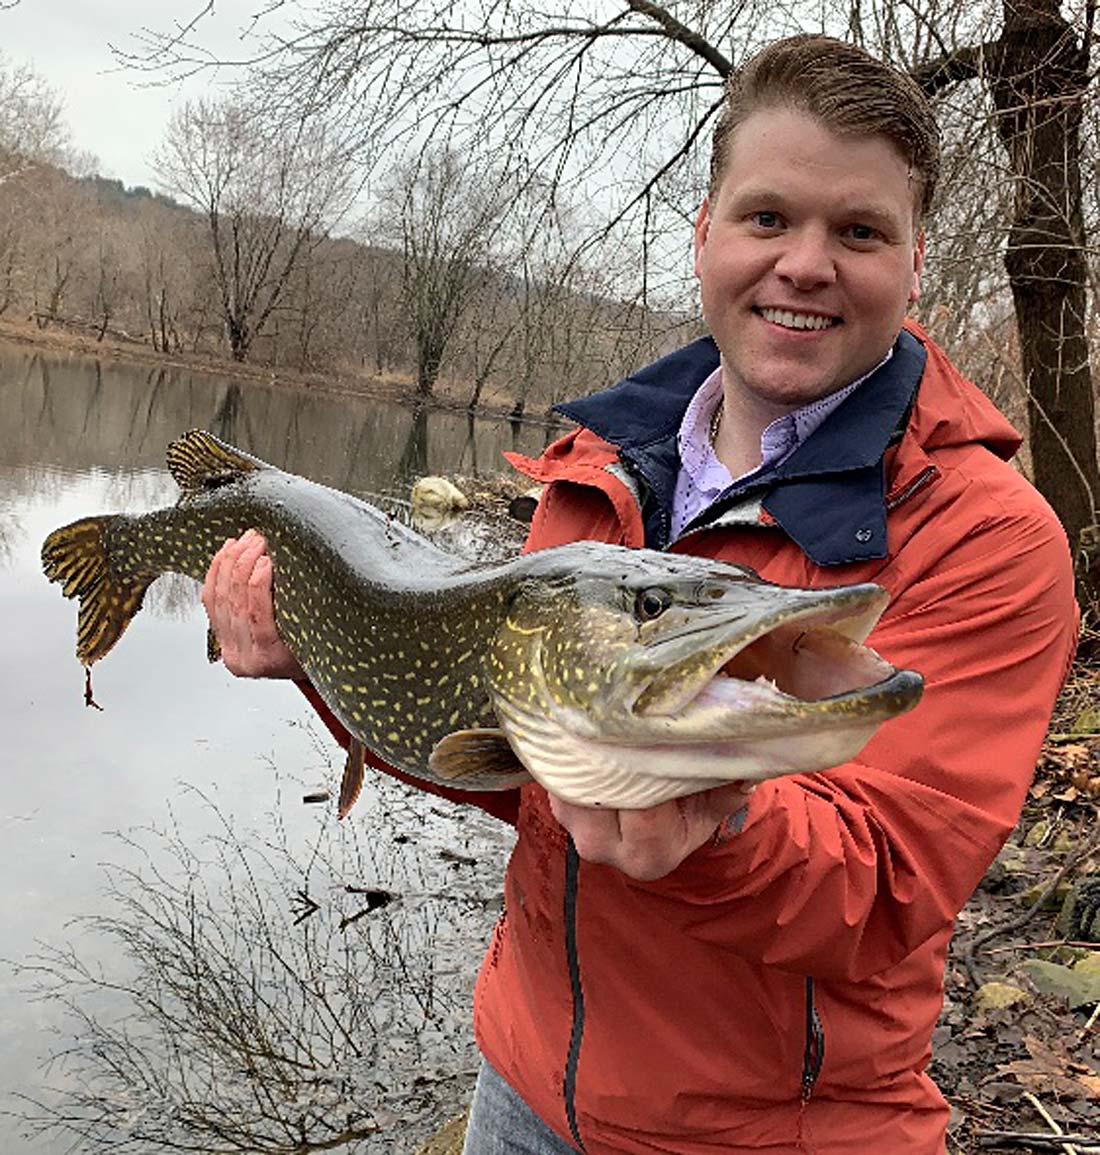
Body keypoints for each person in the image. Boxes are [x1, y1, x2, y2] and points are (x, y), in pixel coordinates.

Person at [202, 34, 1078, 1155]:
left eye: (856, 231)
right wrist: (314, 658)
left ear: (912, 267)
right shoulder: (597, 463)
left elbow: (893, 886)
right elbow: (506, 756)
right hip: (521, 1082)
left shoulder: (989, 536)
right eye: (767, 218)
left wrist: (714, 829)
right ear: (705, 231)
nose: (804, 263)